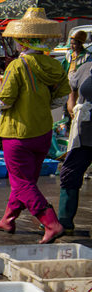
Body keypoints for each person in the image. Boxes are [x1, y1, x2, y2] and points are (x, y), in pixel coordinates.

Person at [0, 8, 70, 243]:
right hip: (43, 131)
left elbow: (4, 100)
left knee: (21, 182)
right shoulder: (55, 65)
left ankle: (50, 221)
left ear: (23, 41)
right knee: (27, 180)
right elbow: (62, 97)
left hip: (18, 133)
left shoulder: (17, 66)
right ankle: (8, 219)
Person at [58, 54, 92, 233]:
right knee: (70, 172)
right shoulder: (86, 68)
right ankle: (64, 221)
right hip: (85, 129)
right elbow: (72, 87)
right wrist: (71, 104)